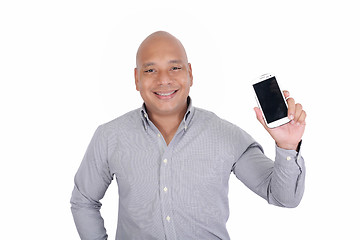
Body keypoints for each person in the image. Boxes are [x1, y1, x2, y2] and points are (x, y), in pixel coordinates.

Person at [70, 31, 306, 240]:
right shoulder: (109, 136)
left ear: (190, 74)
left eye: (175, 67)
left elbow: (284, 197)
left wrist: (287, 146)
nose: (164, 79)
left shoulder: (227, 135)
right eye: (150, 70)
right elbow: (84, 201)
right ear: (136, 79)